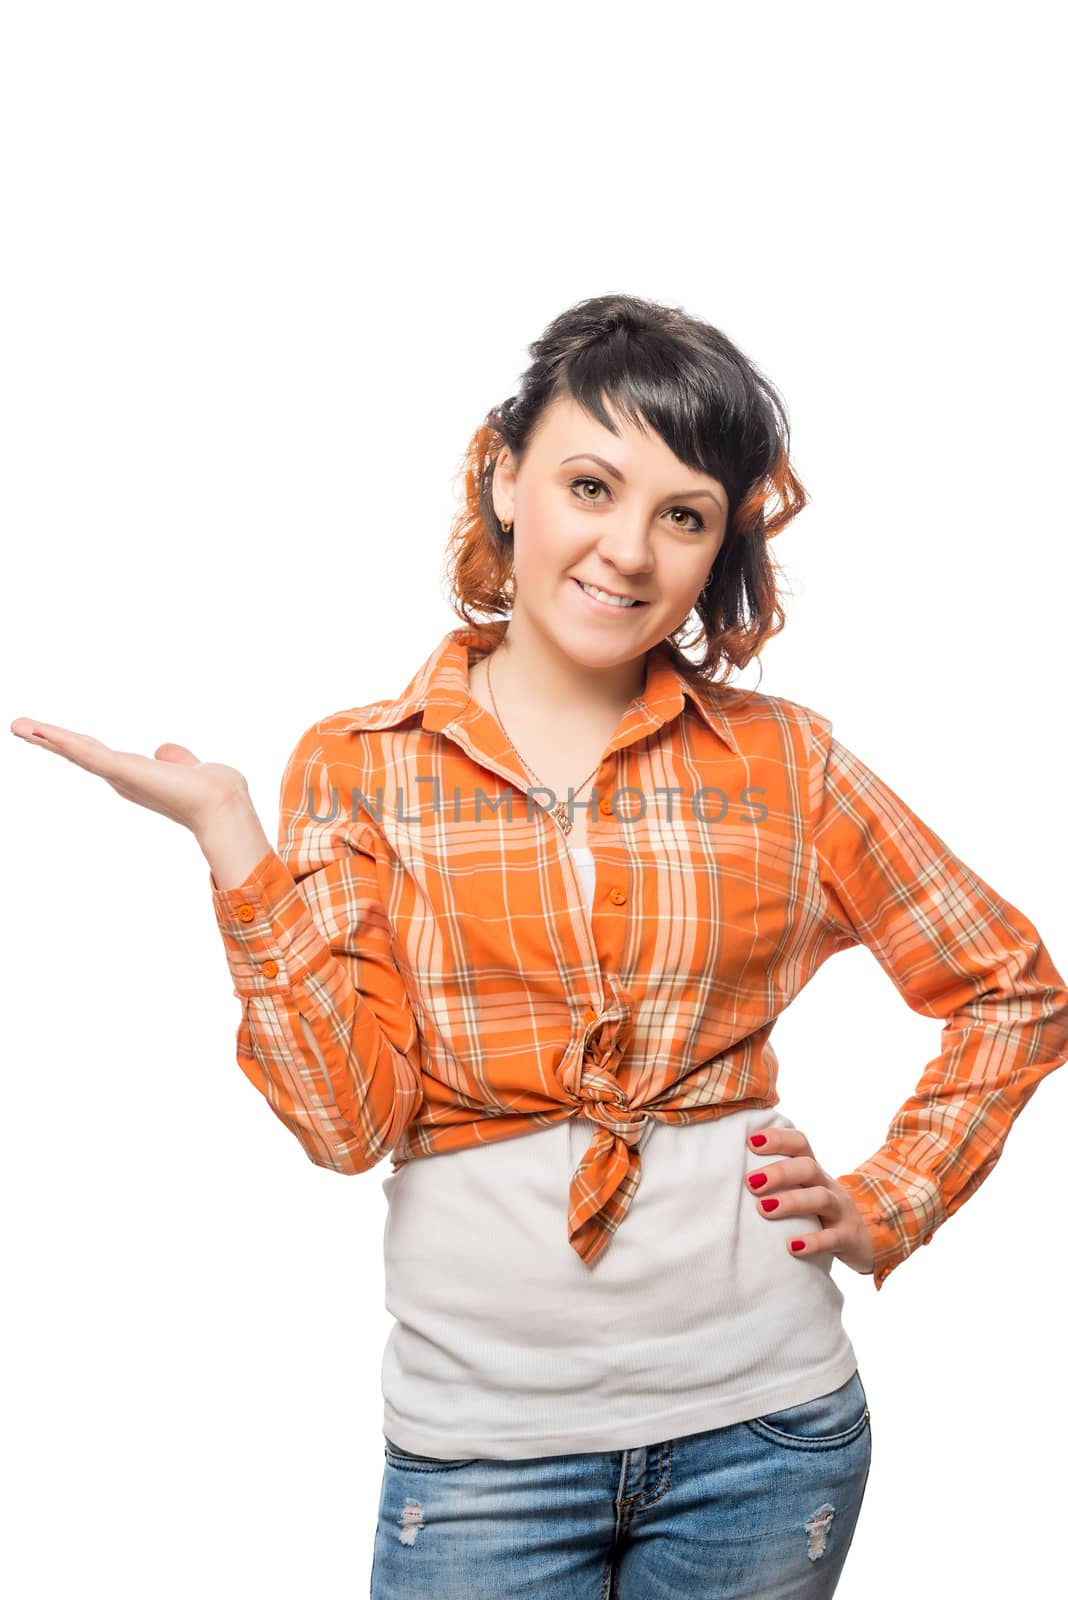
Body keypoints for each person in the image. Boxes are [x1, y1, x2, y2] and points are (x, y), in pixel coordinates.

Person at [12, 292, 1068, 1600]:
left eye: (682, 516)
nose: (628, 550)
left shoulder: (787, 765)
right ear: (506, 478)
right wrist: (232, 837)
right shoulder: (360, 769)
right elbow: (347, 1128)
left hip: (768, 1433)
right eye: (590, 484)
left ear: (713, 548)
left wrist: (886, 1200)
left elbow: (1015, 990)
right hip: (480, 1460)